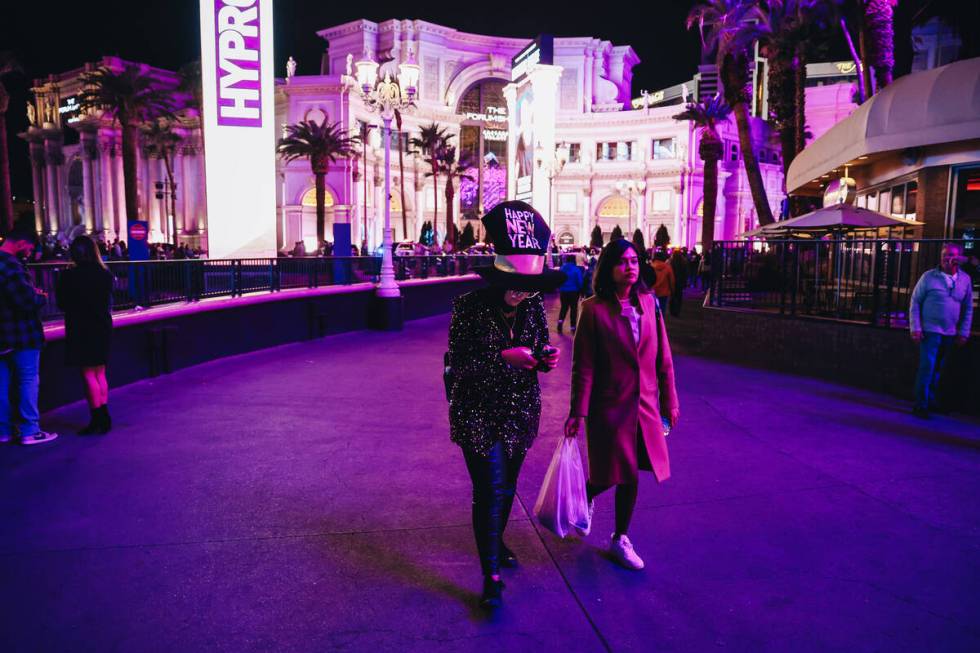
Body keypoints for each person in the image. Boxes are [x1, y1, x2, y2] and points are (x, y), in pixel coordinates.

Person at [447, 200, 565, 610]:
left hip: (519, 414)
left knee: (508, 487)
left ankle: (495, 542)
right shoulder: (467, 307)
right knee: (490, 490)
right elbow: (458, 365)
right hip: (478, 413)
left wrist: (544, 357)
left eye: (528, 286)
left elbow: (535, 348)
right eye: (512, 282)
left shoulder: (532, 305)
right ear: (496, 276)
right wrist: (502, 358)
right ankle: (491, 576)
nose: (521, 292)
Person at [565, 238, 680, 570]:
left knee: (631, 473)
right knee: (616, 468)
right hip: (608, 407)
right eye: (622, 262)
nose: (630, 267)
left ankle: (620, 538)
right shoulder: (593, 309)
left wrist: (670, 399)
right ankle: (586, 495)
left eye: (633, 261)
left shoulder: (649, 303)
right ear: (609, 268)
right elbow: (583, 366)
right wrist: (578, 411)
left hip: (644, 407)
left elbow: (664, 358)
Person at [0, 223, 58, 446]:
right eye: (30, 248)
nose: (30, 253)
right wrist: (40, 296)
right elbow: (25, 301)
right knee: (27, 379)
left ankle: (4, 430)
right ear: (22, 243)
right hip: (20, 334)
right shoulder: (11, 266)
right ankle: (30, 430)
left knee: (2, 384)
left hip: (2, 335)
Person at [56, 235, 115, 434]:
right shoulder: (105, 274)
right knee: (100, 372)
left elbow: (62, 304)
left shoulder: (68, 276)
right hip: (101, 326)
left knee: (88, 374)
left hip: (81, 327)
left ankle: (97, 417)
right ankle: (104, 415)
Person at [909, 242, 973, 418]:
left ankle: (930, 401)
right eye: (944, 254)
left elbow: (968, 307)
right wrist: (916, 327)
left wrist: (964, 332)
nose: (947, 258)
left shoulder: (965, 280)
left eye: (951, 254)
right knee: (927, 367)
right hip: (930, 331)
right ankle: (920, 404)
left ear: (959, 258)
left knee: (938, 369)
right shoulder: (929, 277)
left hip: (950, 332)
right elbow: (915, 301)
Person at [557, 255, 585, 334]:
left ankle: (560, 323)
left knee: (563, 308)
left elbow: (558, 279)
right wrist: (581, 291)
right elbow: (579, 281)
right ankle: (573, 327)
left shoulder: (562, 268)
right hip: (574, 292)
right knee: (573, 309)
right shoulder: (576, 269)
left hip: (563, 291)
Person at [669, 249, 689, 317]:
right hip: (680, 282)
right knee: (679, 297)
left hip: (672, 282)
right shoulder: (683, 262)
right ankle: (677, 311)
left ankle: (672, 311)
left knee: (673, 296)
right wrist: (685, 282)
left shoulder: (671, 262)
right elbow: (686, 273)